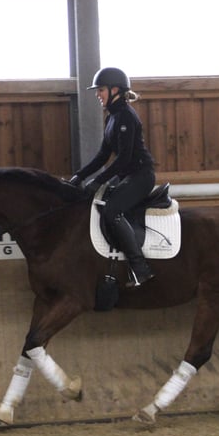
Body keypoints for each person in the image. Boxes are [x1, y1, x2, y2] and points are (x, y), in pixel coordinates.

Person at [69, 67, 155, 287]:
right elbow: (102, 156)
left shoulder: (126, 116)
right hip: (127, 175)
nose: (98, 94)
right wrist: (79, 176)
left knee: (112, 211)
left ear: (115, 89)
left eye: (101, 90)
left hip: (140, 176)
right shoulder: (112, 118)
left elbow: (124, 159)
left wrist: (97, 181)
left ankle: (140, 268)